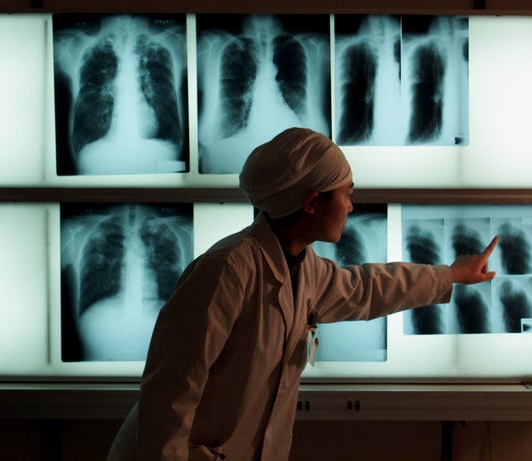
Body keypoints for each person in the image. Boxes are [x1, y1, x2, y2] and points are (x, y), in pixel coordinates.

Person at [107, 127, 497, 461]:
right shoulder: (227, 269)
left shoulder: (302, 267)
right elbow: (170, 394)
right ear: (311, 203)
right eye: (346, 194)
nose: (350, 205)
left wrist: (451, 275)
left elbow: (367, 288)